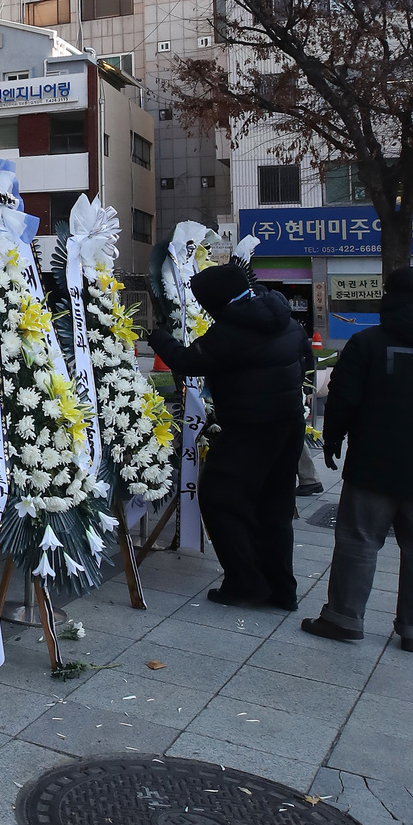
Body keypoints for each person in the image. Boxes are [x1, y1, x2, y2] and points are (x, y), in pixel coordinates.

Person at [303, 266, 413, 651]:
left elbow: (343, 396)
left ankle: (343, 619)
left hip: (374, 464)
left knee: (359, 539)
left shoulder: (368, 342)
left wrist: (334, 438)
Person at [151, 259, 310, 610]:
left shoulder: (231, 331)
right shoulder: (280, 316)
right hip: (288, 425)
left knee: (220, 499)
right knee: (275, 507)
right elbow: (304, 361)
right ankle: (282, 590)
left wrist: (158, 335)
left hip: (251, 428)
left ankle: (246, 583)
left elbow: (190, 361)